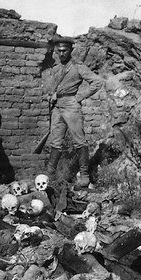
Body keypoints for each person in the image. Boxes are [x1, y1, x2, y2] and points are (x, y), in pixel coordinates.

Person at [44, 38, 102, 186]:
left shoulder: (78, 67)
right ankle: (50, 175)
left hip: (71, 105)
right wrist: (51, 95)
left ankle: (84, 175)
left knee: (79, 140)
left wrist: (79, 97)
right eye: (59, 51)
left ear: (71, 50)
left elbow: (97, 82)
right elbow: (52, 87)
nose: (62, 54)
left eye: (65, 50)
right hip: (57, 106)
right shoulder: (56, 68)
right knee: (56, 141)